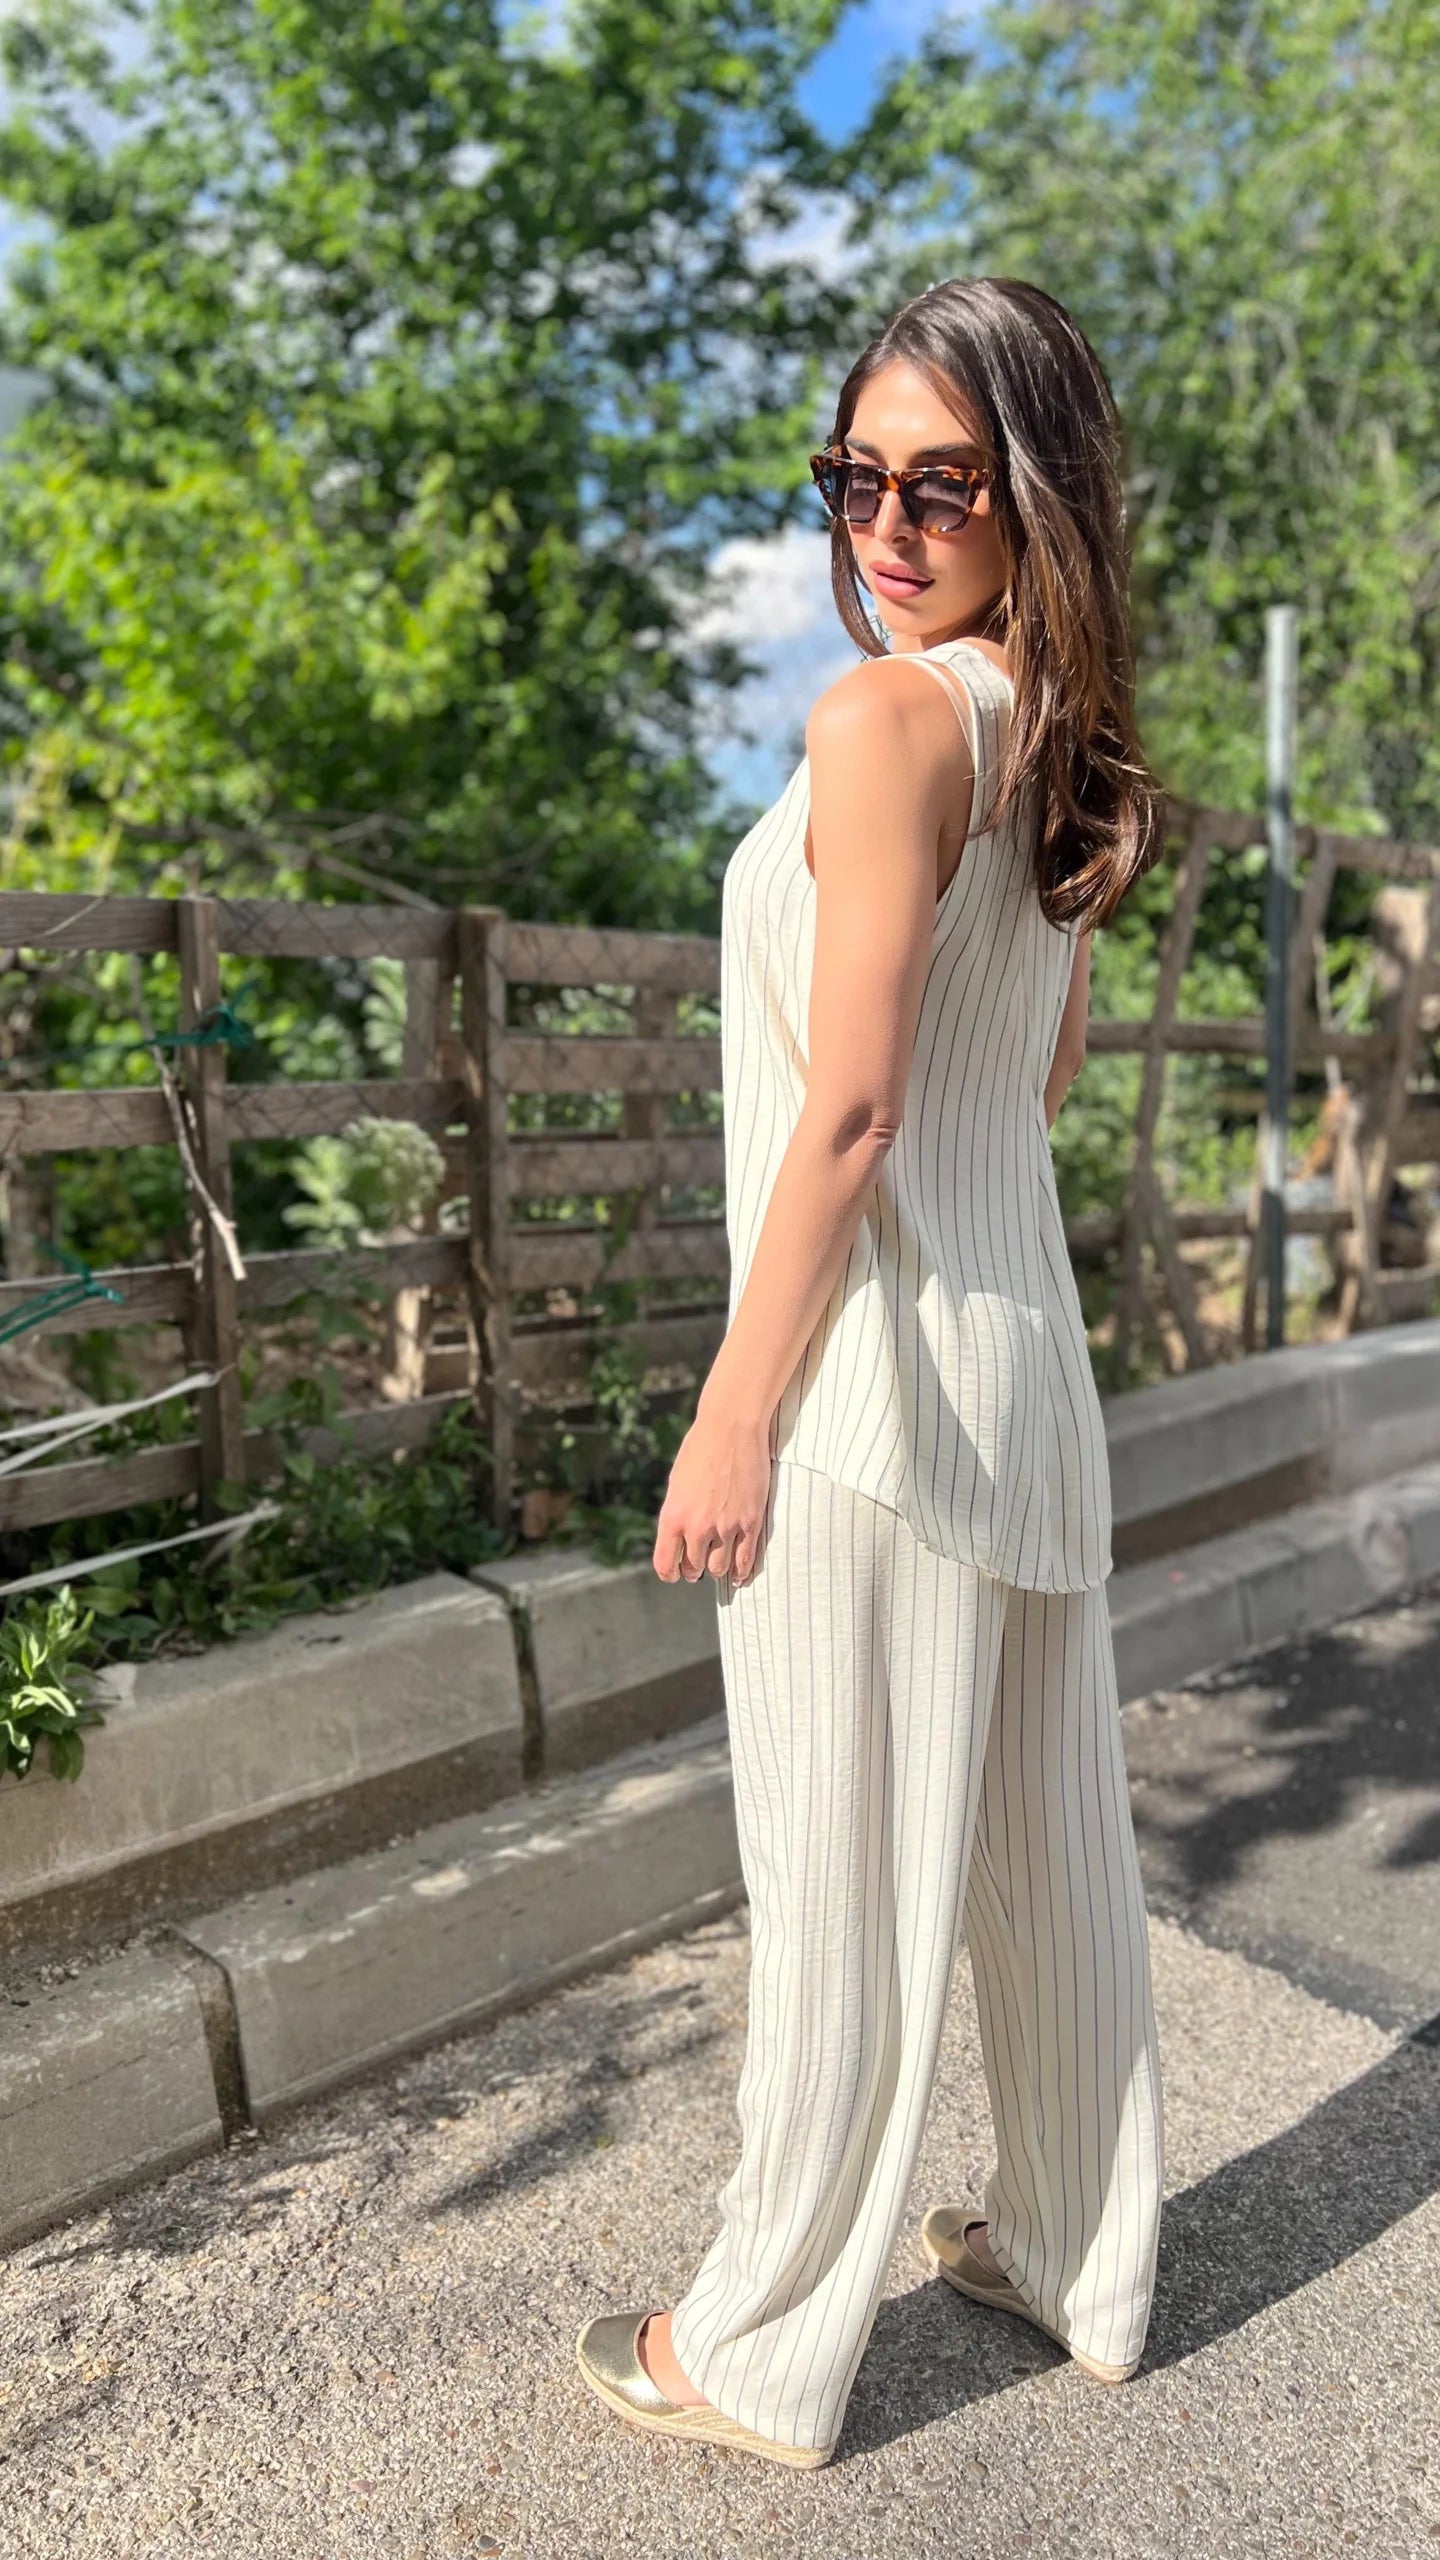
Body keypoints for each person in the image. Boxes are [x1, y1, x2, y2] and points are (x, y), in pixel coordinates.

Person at [576, 275, 1167, 2470]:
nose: (888, 522)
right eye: (856, 477)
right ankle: (1085, 2259)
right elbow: (1039, 1065)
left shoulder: (882, 722)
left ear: (1034, 494)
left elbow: (850, 1112)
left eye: (944, 481)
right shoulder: (1068, 739)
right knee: (1047, 1859)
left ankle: (759, 2341)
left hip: (876, 1392)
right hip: (1027, 1368)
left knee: (839, 1876)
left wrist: (736, 1403)